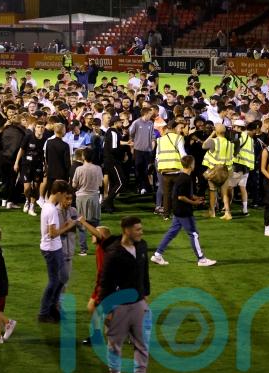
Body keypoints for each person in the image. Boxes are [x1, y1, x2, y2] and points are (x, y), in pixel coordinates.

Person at [100, 215, 151, 373]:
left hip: (138, 303)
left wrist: (145, 294)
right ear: (127, 230)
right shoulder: (114, 253)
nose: (141, 232)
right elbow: (106, 282)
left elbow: (145, 272)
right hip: (119, 306)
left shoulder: (142, 246)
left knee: (142, 344)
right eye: (137, 229)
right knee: (115, 345)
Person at [150, 156, 217, 267]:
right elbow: (181, 197)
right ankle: (202, 259)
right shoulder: (185, 179)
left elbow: (185, 194)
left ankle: (157, 255)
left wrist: (196, 198)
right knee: (194, 234)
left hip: (178, 210)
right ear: (191, 165)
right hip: (183, 210)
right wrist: (194, 203)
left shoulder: (182, 177)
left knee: (172, 233)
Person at [38, 180, 77, 323]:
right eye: (64, 195)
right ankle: (44, 313)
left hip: (55, 247)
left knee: (63, 277)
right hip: (51, 249)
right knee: (54, 282)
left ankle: (53, 308)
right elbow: (53, 233)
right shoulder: (52, 209)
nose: (65, 198)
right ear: (59, 193)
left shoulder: (47, 206)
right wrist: (68, 226)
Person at [71, 147, 103, 256]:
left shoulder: (79, 169)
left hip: (82, 198)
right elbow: (100, 183)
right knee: (96, 223)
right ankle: (101, 245)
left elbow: (74, 184)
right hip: (94, 197)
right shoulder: (98, 169)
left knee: (81, 224)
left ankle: (83, 249)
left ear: (83, 157)